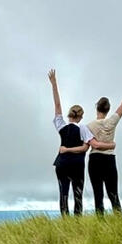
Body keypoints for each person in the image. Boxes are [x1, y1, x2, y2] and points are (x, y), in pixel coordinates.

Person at [48, 69, 115, 216]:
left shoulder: (61, 125)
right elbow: (86, 147)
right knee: (78, 194)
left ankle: (65, 222)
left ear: (69, 115)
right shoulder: (84, 128)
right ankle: (77, 222)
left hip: (61, 164)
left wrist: (53, 84)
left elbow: (57, 106)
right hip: (77, 165)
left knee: (63, 194)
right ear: (81, 116)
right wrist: (111, 145)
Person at [81, 78, 122, 215]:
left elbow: (89, 145)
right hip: (109, 160)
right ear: (108, 110)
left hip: (94, 159)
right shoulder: (112, 121)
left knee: (98, 195)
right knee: (113, 193)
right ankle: (119, 221)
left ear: (97, 108)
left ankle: (101, 223)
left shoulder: (89, 126)